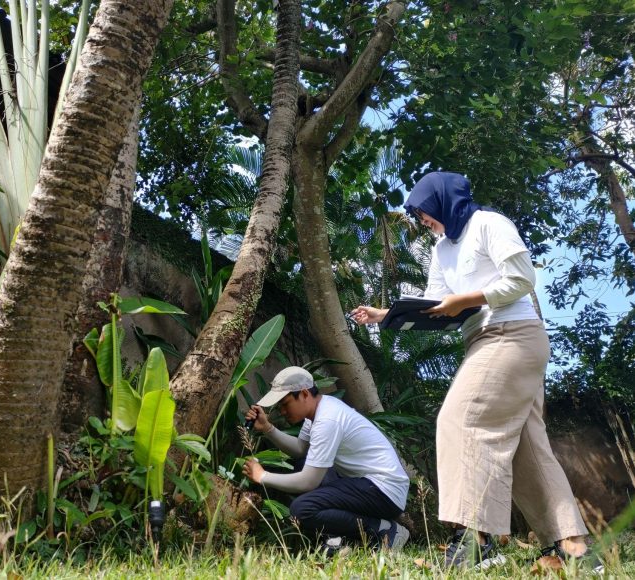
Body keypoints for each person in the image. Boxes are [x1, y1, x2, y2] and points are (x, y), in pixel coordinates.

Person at [351, 172, 596, 570]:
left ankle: (475, 538)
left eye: (423, 211)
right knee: (529, 451)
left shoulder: (489, 224)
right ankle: (573, 549)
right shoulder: (441, 249)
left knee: (460, 418)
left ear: (443, 200)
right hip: (482, 340)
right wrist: (386, 314)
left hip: (512, 334)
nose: (421, 220)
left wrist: (468, 297)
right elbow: (433, 301)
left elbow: (521, 278)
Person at [242, 366, 410, 553]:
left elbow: (308, 481)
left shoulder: (328, 420)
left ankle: (385, 530)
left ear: (304, 394)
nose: (281, 411)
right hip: (368, 486)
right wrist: (268, 429)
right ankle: (337, 538)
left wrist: (263, 476)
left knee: (302, 510)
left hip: (384, 491)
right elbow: (300, 449)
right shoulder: (319, 410)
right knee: (304, 462)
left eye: (285, 403)